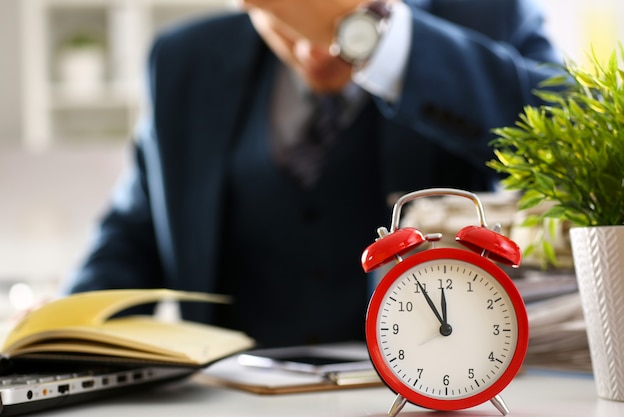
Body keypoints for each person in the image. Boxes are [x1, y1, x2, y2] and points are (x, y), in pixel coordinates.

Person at [61, 0, 562, 347]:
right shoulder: (182, 62)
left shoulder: (489, 15)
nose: (317, 51)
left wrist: (378, 42)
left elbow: (583, 137)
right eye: (290, 15)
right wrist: (58, 341)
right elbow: (131, 240)